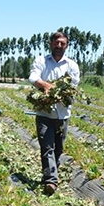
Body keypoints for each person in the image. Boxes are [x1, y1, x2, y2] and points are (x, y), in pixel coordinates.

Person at [28, 31, 80, 196]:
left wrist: (59, 91)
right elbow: (33, 77)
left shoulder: (71, 65)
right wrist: (45, 85)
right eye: (56, 43)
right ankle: (51, 180)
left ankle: (50, 174)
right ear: (51, 44)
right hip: (44, 114)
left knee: (58, 148)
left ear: (66, 45)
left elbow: (73, 85)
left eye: (62, 43)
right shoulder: (41, 61)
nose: (59, 46)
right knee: (47, 147)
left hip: (63, 115)